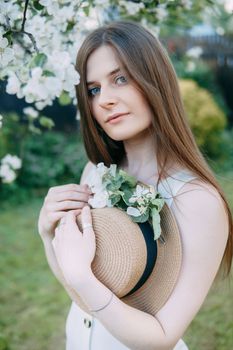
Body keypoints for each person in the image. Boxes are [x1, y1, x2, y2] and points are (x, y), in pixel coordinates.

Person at [38, 21, 233, 350]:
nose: (105, 101)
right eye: (94, 89)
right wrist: (48, 235)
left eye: (120, 78)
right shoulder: (95, 174)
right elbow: (79, 290)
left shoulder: (198, 201)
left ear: (154, 79)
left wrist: (84, 279)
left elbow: (161, 338)